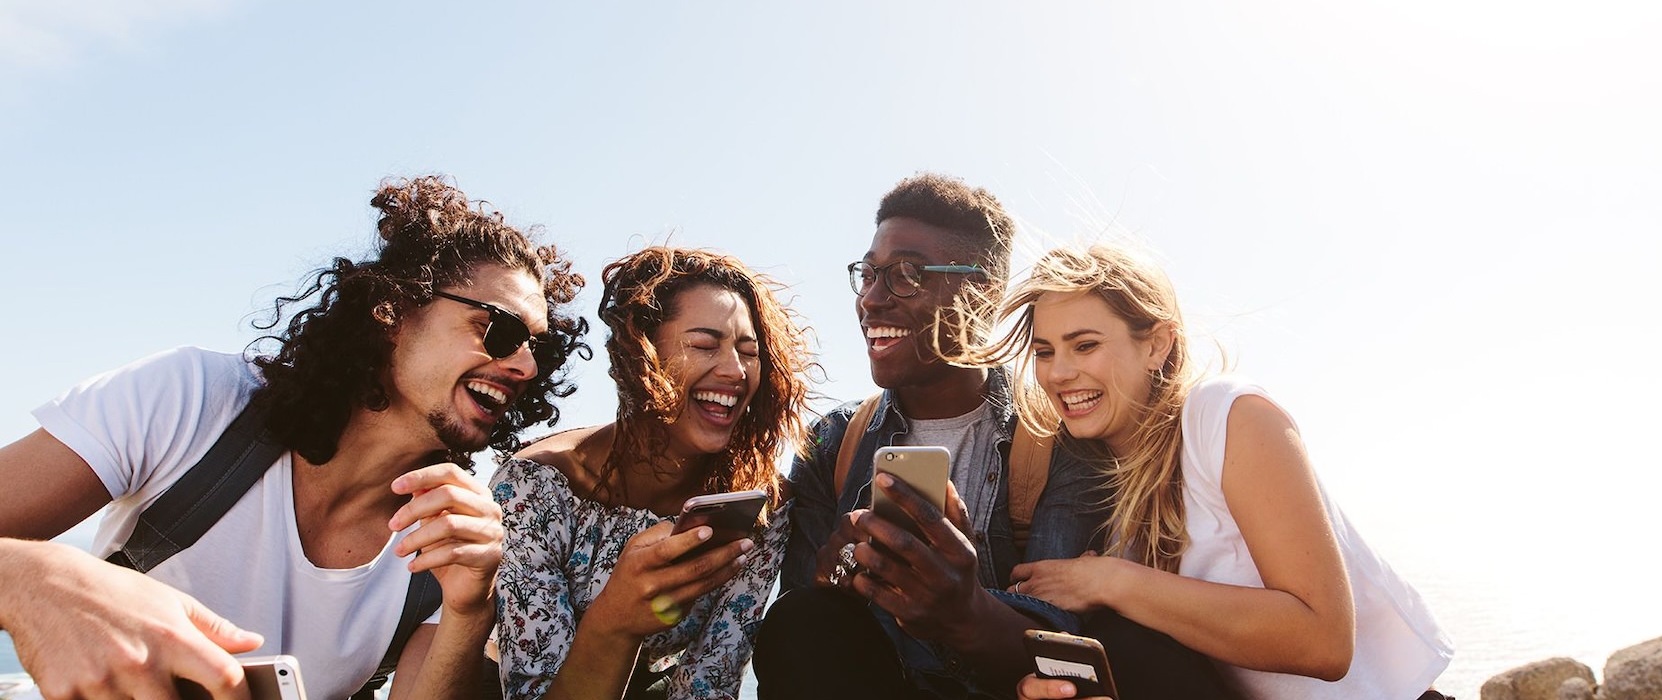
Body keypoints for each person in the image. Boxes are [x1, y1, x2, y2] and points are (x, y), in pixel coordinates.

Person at [0, 176, 587, 699]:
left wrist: (468, 610)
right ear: (393, 310)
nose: (527, 367)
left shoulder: (452, 538)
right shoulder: (192, 399)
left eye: (543, 347)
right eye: (501, 329)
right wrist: (42, 578)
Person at [975, 246, 1453, 700]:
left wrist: (1109, 582)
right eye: (1044, 352)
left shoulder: (1227, 416)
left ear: (1157, 345)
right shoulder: (1094, 484)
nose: (1058, 373)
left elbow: (1324, 642)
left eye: (1085, 345)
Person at [753, 173, 1113, 699]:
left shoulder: (1059, 438)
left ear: (983, 292)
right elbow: (796, 642)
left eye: (905, 275)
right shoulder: (832, 443)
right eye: (869, 274)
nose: (872, 300)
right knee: (804, 618)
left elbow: (1069, 646)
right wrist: (833, 580)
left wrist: (964, 612)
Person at [491, 246, 814, 699]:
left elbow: (710, 679)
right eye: (704, 345)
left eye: (749, 351)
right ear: (639, 356)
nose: (735, 371)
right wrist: (614, 620)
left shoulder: (757, 505)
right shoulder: (535, 486)